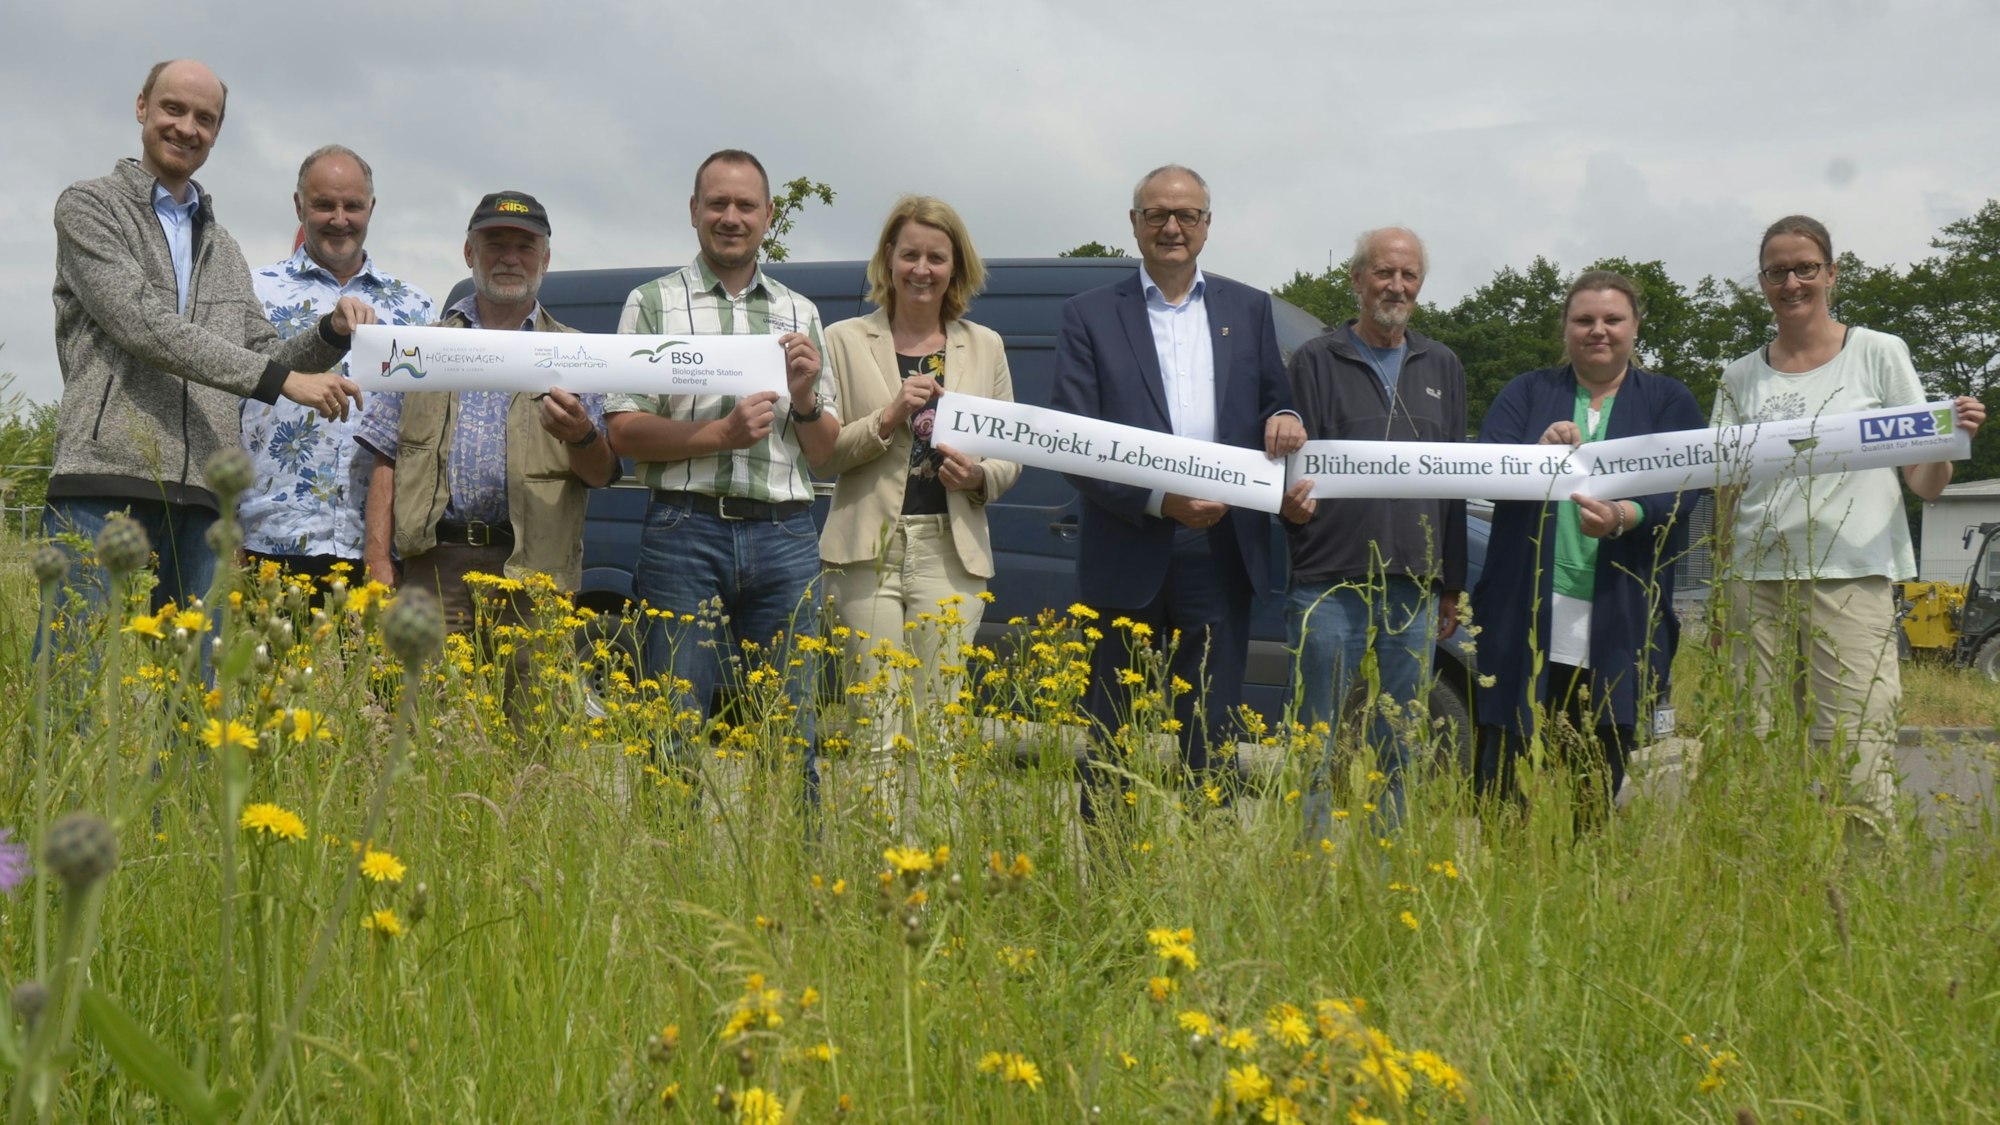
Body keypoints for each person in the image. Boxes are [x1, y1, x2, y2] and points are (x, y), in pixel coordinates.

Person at [45, 59, 366, 615]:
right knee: (82, 684)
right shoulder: (89, 206)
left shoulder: (223, 245)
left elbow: (262, 354)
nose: (187, 128)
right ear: (142, 107)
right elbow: (139, 322)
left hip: (203, 504)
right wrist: (283, 379)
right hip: (106, 483)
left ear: (217, 132)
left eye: (205, 118)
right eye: (173, 109)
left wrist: (329, 334)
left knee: (192, 695)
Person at [1050, 164, 1304, 822]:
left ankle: (1205, 883)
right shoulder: (1089, 316)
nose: (1171, 226)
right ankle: (1112, 886)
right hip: (1126, 543)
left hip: (1219, 547)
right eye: (1157, 214)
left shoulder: (1249, 309)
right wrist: (1163, 500)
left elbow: (1277, 402)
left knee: (1212, 732)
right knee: (1113, 733)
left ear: (1207, 226)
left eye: (1186, 215)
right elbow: (1073, 441)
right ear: (1133, 224)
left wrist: (1285, 418)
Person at [1713, 215, 1985, 822]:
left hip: (1851, 575)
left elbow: (1925, 482)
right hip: (1755, 585)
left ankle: (1857, 882)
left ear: (1831, 274)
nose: (1792, 282)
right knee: (1757, 748)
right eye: (1778, 270)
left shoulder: (1879, 353)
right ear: (1762, 282)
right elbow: (1727, 492)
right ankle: (1772, 889)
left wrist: (1949, 441)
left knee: (1857, 749)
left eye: (1805, 267)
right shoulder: (1739, 376)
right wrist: (1719, 587)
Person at [604, 150, 839, 800]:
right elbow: (622, 428)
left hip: (787, 534)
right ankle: (670, 896)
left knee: (791, 739)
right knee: (670, 735)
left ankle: (794, 892)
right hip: (685, 530)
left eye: (745, 206)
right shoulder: (652, 303)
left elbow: (826, 450)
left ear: (767, 216)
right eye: (718, 204)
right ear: (694, 212)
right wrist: (718, 436)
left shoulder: (801, 313)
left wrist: (807, 397)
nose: (730, 217)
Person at [1471, 270, 1706, 819]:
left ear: (1635, 327)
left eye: (1612, 319)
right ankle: (1504, 883)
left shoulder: (1669, 400)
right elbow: (1486, 469)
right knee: (1504, 775)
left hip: (1617, 617)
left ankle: (1583, 878)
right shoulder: (1527, 391)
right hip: (1522, 616)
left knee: (1595, 776)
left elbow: (1688, 487)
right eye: (1584, 320)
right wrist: (1537, 450)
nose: (1598, 330)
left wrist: (1629, 515)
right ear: (1566, 328)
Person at [818, 196, 1020, 818]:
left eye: (937, 256)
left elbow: (1010, 455)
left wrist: (979, 475)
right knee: (873, 731)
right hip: (866, 552)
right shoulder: (844, 339)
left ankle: (933, 889)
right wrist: (890, 415)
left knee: (940, 736)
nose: (922, 268)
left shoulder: (985, 345)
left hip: (950, 550)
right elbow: (826, 455)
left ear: (956, 266)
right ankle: (882, 887)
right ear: (888, 258)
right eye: (910, 254)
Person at [355, 191, 619, 635]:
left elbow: (602, 473)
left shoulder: (575, 353)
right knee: (430, 703)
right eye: (495, 243)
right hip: (433, 568)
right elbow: (385, 456)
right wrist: (378, 560)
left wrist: (581, 436)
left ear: (546, 259)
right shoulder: (423, 346)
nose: (510, 259)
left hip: (534, 572)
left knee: (531, 705)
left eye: (525, 247)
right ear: (468, 252)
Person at [1279, 227, 1467, 838]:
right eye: (1384, 273)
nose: (1397, 285)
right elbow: (1283, 469)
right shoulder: (1312, 360)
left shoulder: (1443, 364)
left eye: (1408, 275)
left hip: (1413, 585)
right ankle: (1309, 868)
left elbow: (1454, 480)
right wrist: (1287, 509)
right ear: (1357, 280)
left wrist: (1451, 582)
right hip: (1328, 582)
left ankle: (1389, 868)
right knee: (1316, 737)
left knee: (1401, 740)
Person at [244, 145, 434, 588]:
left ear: (371, 208)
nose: (339, 218)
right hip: (269, 539)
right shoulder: (253, 290)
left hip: (374, 550)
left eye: (352, 205)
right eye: (324, 205)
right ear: (298, 206)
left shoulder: (416, 305)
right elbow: (221, 411)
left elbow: (421, 431)